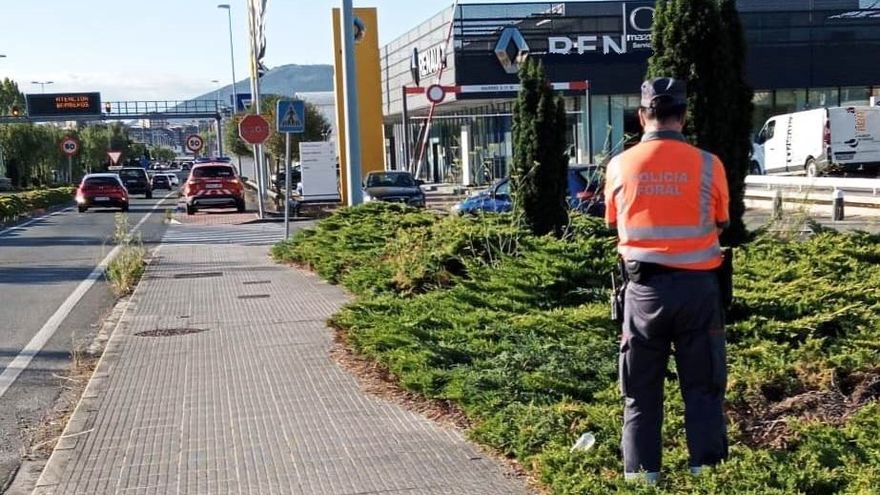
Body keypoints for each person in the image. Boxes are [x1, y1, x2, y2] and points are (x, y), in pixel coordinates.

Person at [604, 77, 731, 485]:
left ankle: (642, 480)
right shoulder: (710, 164)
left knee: (640, 393)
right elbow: (722, 222)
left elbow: (612, 223)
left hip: (641, 294)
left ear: (642, 117)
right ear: (684, 115)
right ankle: (708, 477)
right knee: (703, 389)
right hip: (699, 293)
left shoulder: (619, 165)